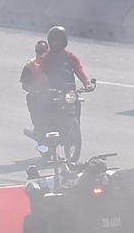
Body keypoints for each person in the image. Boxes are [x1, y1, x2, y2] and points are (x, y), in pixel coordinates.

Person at [21, 27, 94, 157]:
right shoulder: (45, 58)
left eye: (59, 40)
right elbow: (39, 70)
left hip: (69, 91)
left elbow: (80, 69)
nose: (57, 43)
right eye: (54, 41)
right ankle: (43, 135)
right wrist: (42, 86)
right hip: (52, 92)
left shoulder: (71, 57)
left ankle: (72, 133)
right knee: (44, 111)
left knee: (77, 103)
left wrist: (87, 83)